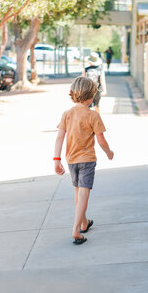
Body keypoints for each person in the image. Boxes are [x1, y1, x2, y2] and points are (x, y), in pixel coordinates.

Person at [54, 76, 114, 245]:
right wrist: (109, 153)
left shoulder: (67, 114)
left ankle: (84, 223)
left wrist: (56, 159)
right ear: (91, 97)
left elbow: (59, 138)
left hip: (71, 160)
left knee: (77, 192)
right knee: (84, 193)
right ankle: (75, 230)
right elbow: (101, 141)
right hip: (87, 160)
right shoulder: (93, 115)